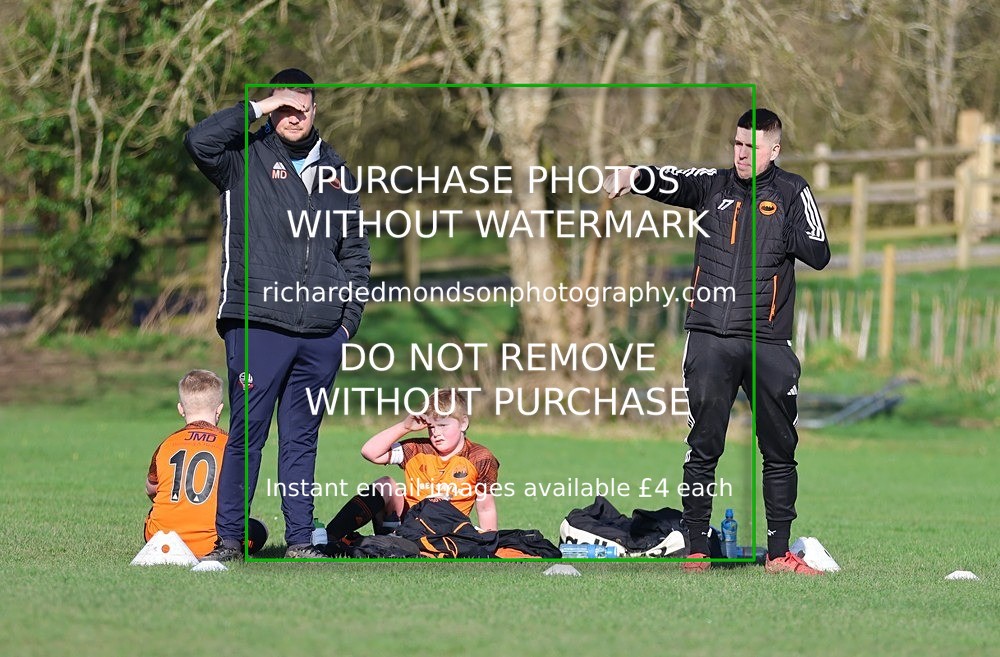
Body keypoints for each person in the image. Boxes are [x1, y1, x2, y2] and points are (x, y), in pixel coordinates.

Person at [603, 108, 830, 575]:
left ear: (775, 149)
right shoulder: (714, 185)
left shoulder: (794, 191)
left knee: (779, 450)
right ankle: (695, 549)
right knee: (704, 446)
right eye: (737, 145)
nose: (742, 154)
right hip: (709, 338)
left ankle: (780, 552)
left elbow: (820, 253)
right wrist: (634, 176)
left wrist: (784, 224)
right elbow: (672, 180)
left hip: (767, 341)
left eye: (752, 147)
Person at [184, 68, 371, 560]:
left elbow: (354, 253)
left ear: (315, 110)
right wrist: (259, 107)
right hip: (258, 321)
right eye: (283, 107)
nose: (293, 116)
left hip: (321, 334)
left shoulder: (338, 172)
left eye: (301, 106)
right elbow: (197, 139)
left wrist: (345, 325)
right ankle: (227, 542)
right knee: (248, 437)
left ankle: (302, 541)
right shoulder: (241, 158)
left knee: (302, 441)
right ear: (272, 107)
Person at [323, 389, 499, 552]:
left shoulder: (480, 457)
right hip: (407, 525)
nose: (436, 433)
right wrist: (404, 427)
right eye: (431, 427)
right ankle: (328, 538)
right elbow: (370, 452)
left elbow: (485, 508)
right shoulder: (416, 448)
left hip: (444, 531)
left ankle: (388, 544)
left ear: (463, 423)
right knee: (386, 484)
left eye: (443, 425)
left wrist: (489, 543)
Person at [144, 370, 229, 558]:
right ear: (219, 409)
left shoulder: (166, 444)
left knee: (154, 511)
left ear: (181, 409)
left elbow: (151, 489)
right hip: (214, 543)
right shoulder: (229, 445)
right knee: (258, 529)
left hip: (162, 539)